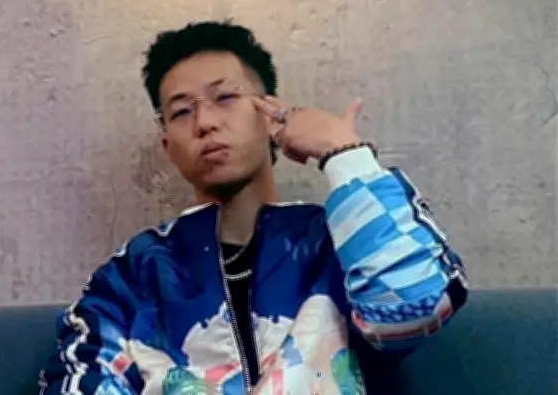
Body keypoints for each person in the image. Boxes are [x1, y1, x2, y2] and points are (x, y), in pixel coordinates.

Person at [39, 19, 469, 395]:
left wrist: (343, 154)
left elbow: (415, 307)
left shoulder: (336, 244)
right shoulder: (133, 276)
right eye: (182, 111)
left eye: (225, 97)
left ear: (269, 115)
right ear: (168, 146)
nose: (205, 122)